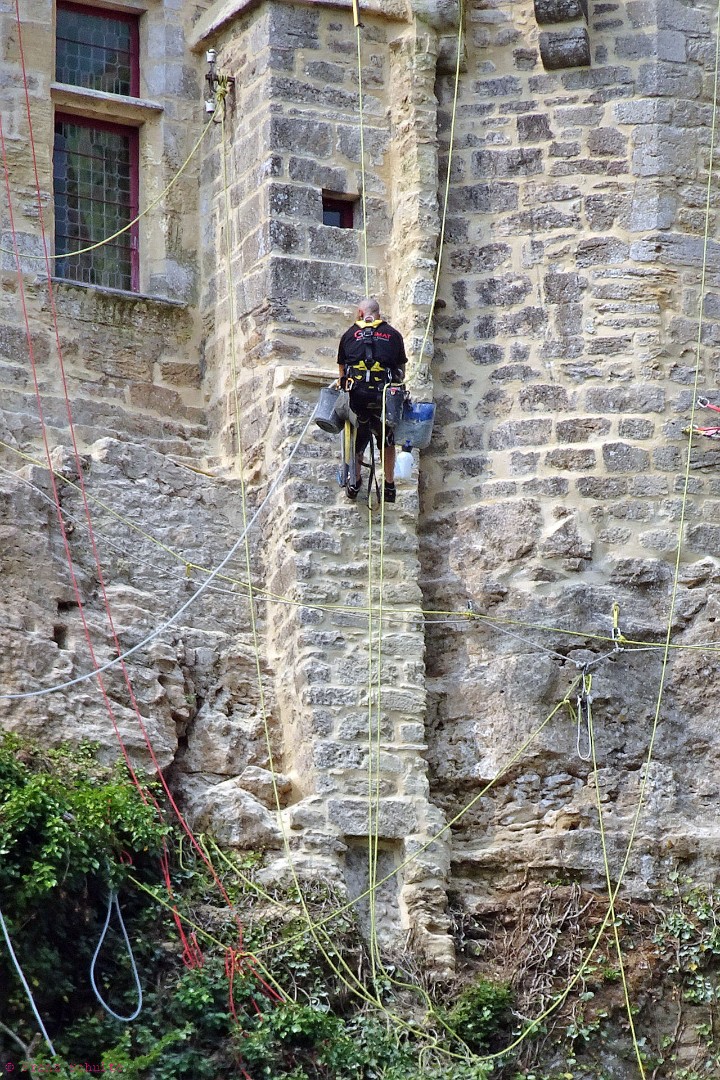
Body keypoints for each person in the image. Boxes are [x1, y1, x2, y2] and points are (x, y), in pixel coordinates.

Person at [337, 297, 407, 503]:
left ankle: (355, 480)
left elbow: (342, 371)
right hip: (383, 395)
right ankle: (389, 484)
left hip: (357, 397)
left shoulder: (349, 335)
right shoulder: (393, 335)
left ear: (360, 313)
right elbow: (401, 371)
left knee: (357, 430)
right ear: (379, 314)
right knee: (387, 436)